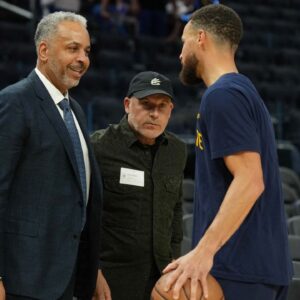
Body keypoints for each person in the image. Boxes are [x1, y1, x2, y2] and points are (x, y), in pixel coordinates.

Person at [162, 4, 293, 300]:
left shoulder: (222, 95)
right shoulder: (244, 92)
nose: (180, 54)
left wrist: (202, 252)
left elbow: (250, 180)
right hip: (255, 267)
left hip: (238, 267)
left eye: (184, 41)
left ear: (201, 39)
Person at [0, 11, 104, 300]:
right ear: (43, 51)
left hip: (66, 277)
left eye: (86, 51)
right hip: (22, 280)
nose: (83, 58)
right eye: (72, 48)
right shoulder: (14, 102)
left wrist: (91, 268)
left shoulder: (76, 111)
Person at [91, 71, 187, 300]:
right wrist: (91, 271)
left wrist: (173, 263)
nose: (154, 113)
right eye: (146, 104)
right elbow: (81, 215)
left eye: (162, 106)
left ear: (170, 110)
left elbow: (175, 211)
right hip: (110, 280)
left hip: (161, 280)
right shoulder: (99, 147)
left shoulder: (177, 150)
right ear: (127, 104)